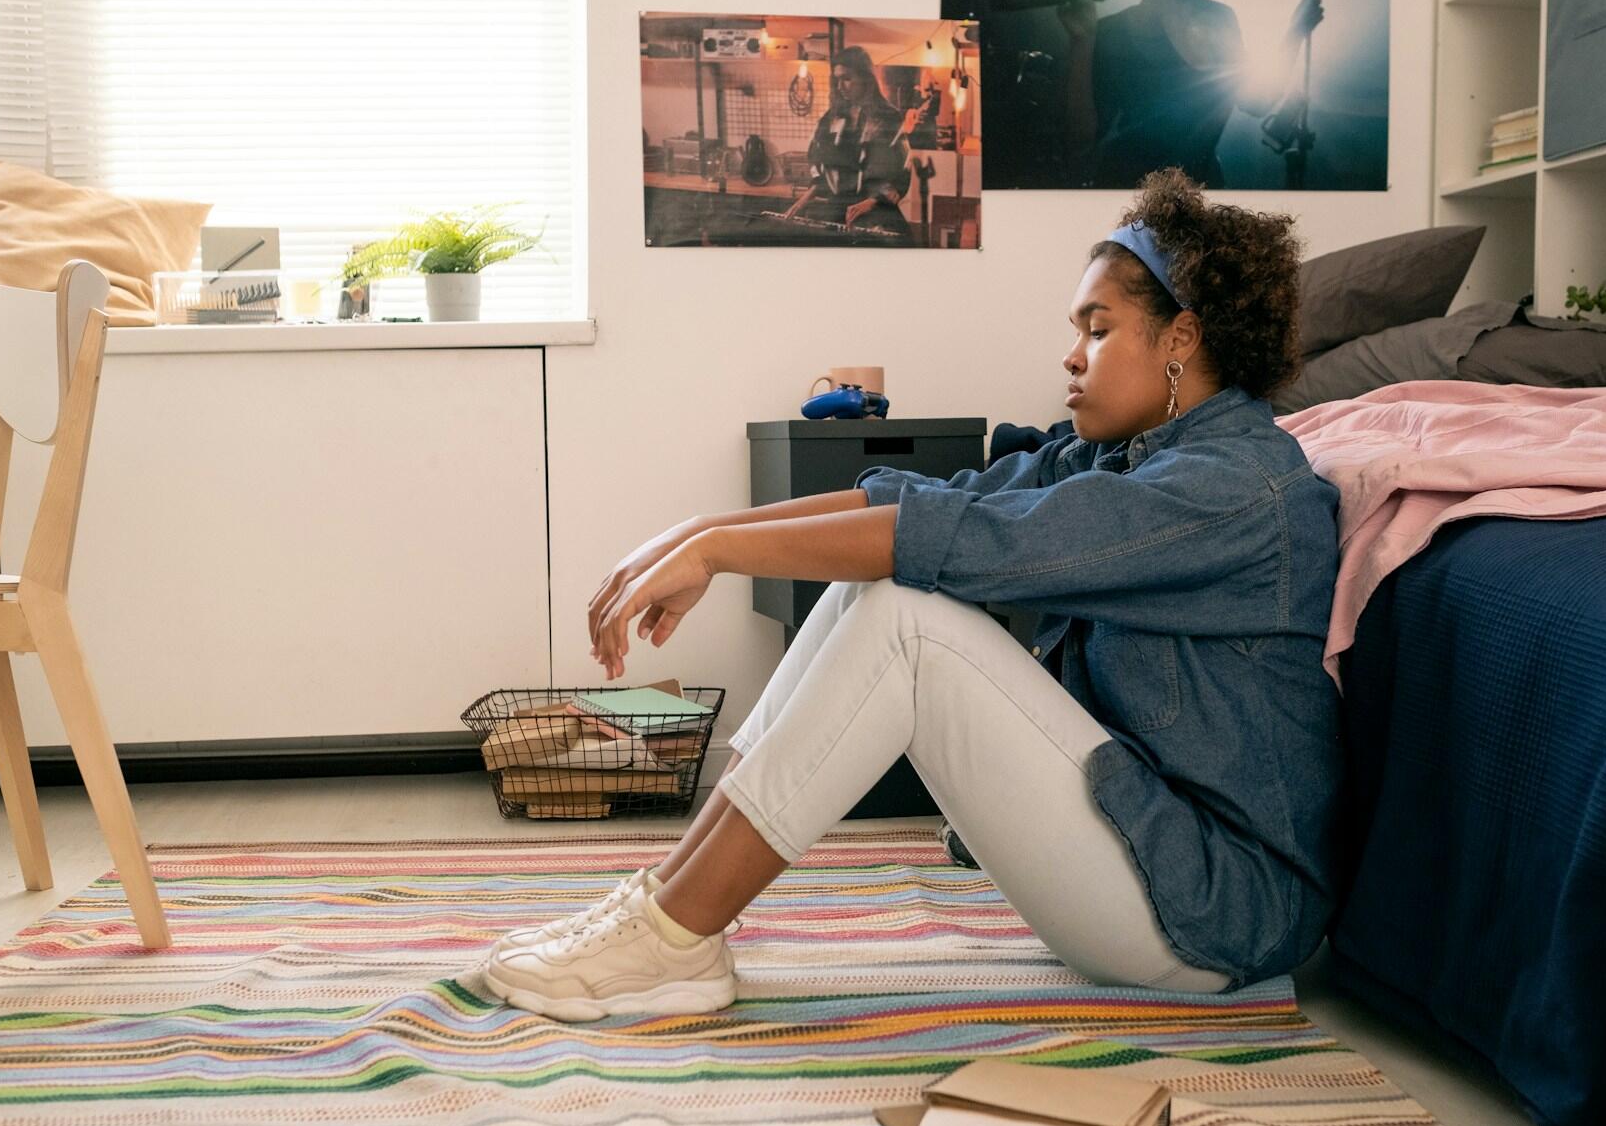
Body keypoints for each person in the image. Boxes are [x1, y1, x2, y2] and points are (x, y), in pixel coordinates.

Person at [482, 167, 1343, 1023]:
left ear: (1180, 338)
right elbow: (926, 503)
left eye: (1098, 328)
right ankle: (669, 904)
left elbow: (961, 541)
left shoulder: (1233, 490)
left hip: (1214, 917)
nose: (1071, 356)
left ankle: (672, 936)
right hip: (1144, 863)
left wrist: (717, 550)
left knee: (906, 617)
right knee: (878, 587)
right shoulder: (1122, 459)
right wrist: (703, 533)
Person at [1060, 0, 1325, 188]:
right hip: (1132, 189)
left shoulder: (1220, 18)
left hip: (1199, 186)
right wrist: (1082, 43)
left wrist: (1295, 32)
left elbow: (1256, 102)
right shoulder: (1110, 32)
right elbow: (1082, 138)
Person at [778, 45, 913, 244]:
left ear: (866, 79)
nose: (840, 86)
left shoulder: (888, 118)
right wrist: (805, 199)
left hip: (876, 211)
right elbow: (820, 160)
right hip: (837, 209)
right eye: (837, 79)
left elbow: (900, 170)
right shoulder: (831, 118)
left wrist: (871, 201)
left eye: (847, 78)